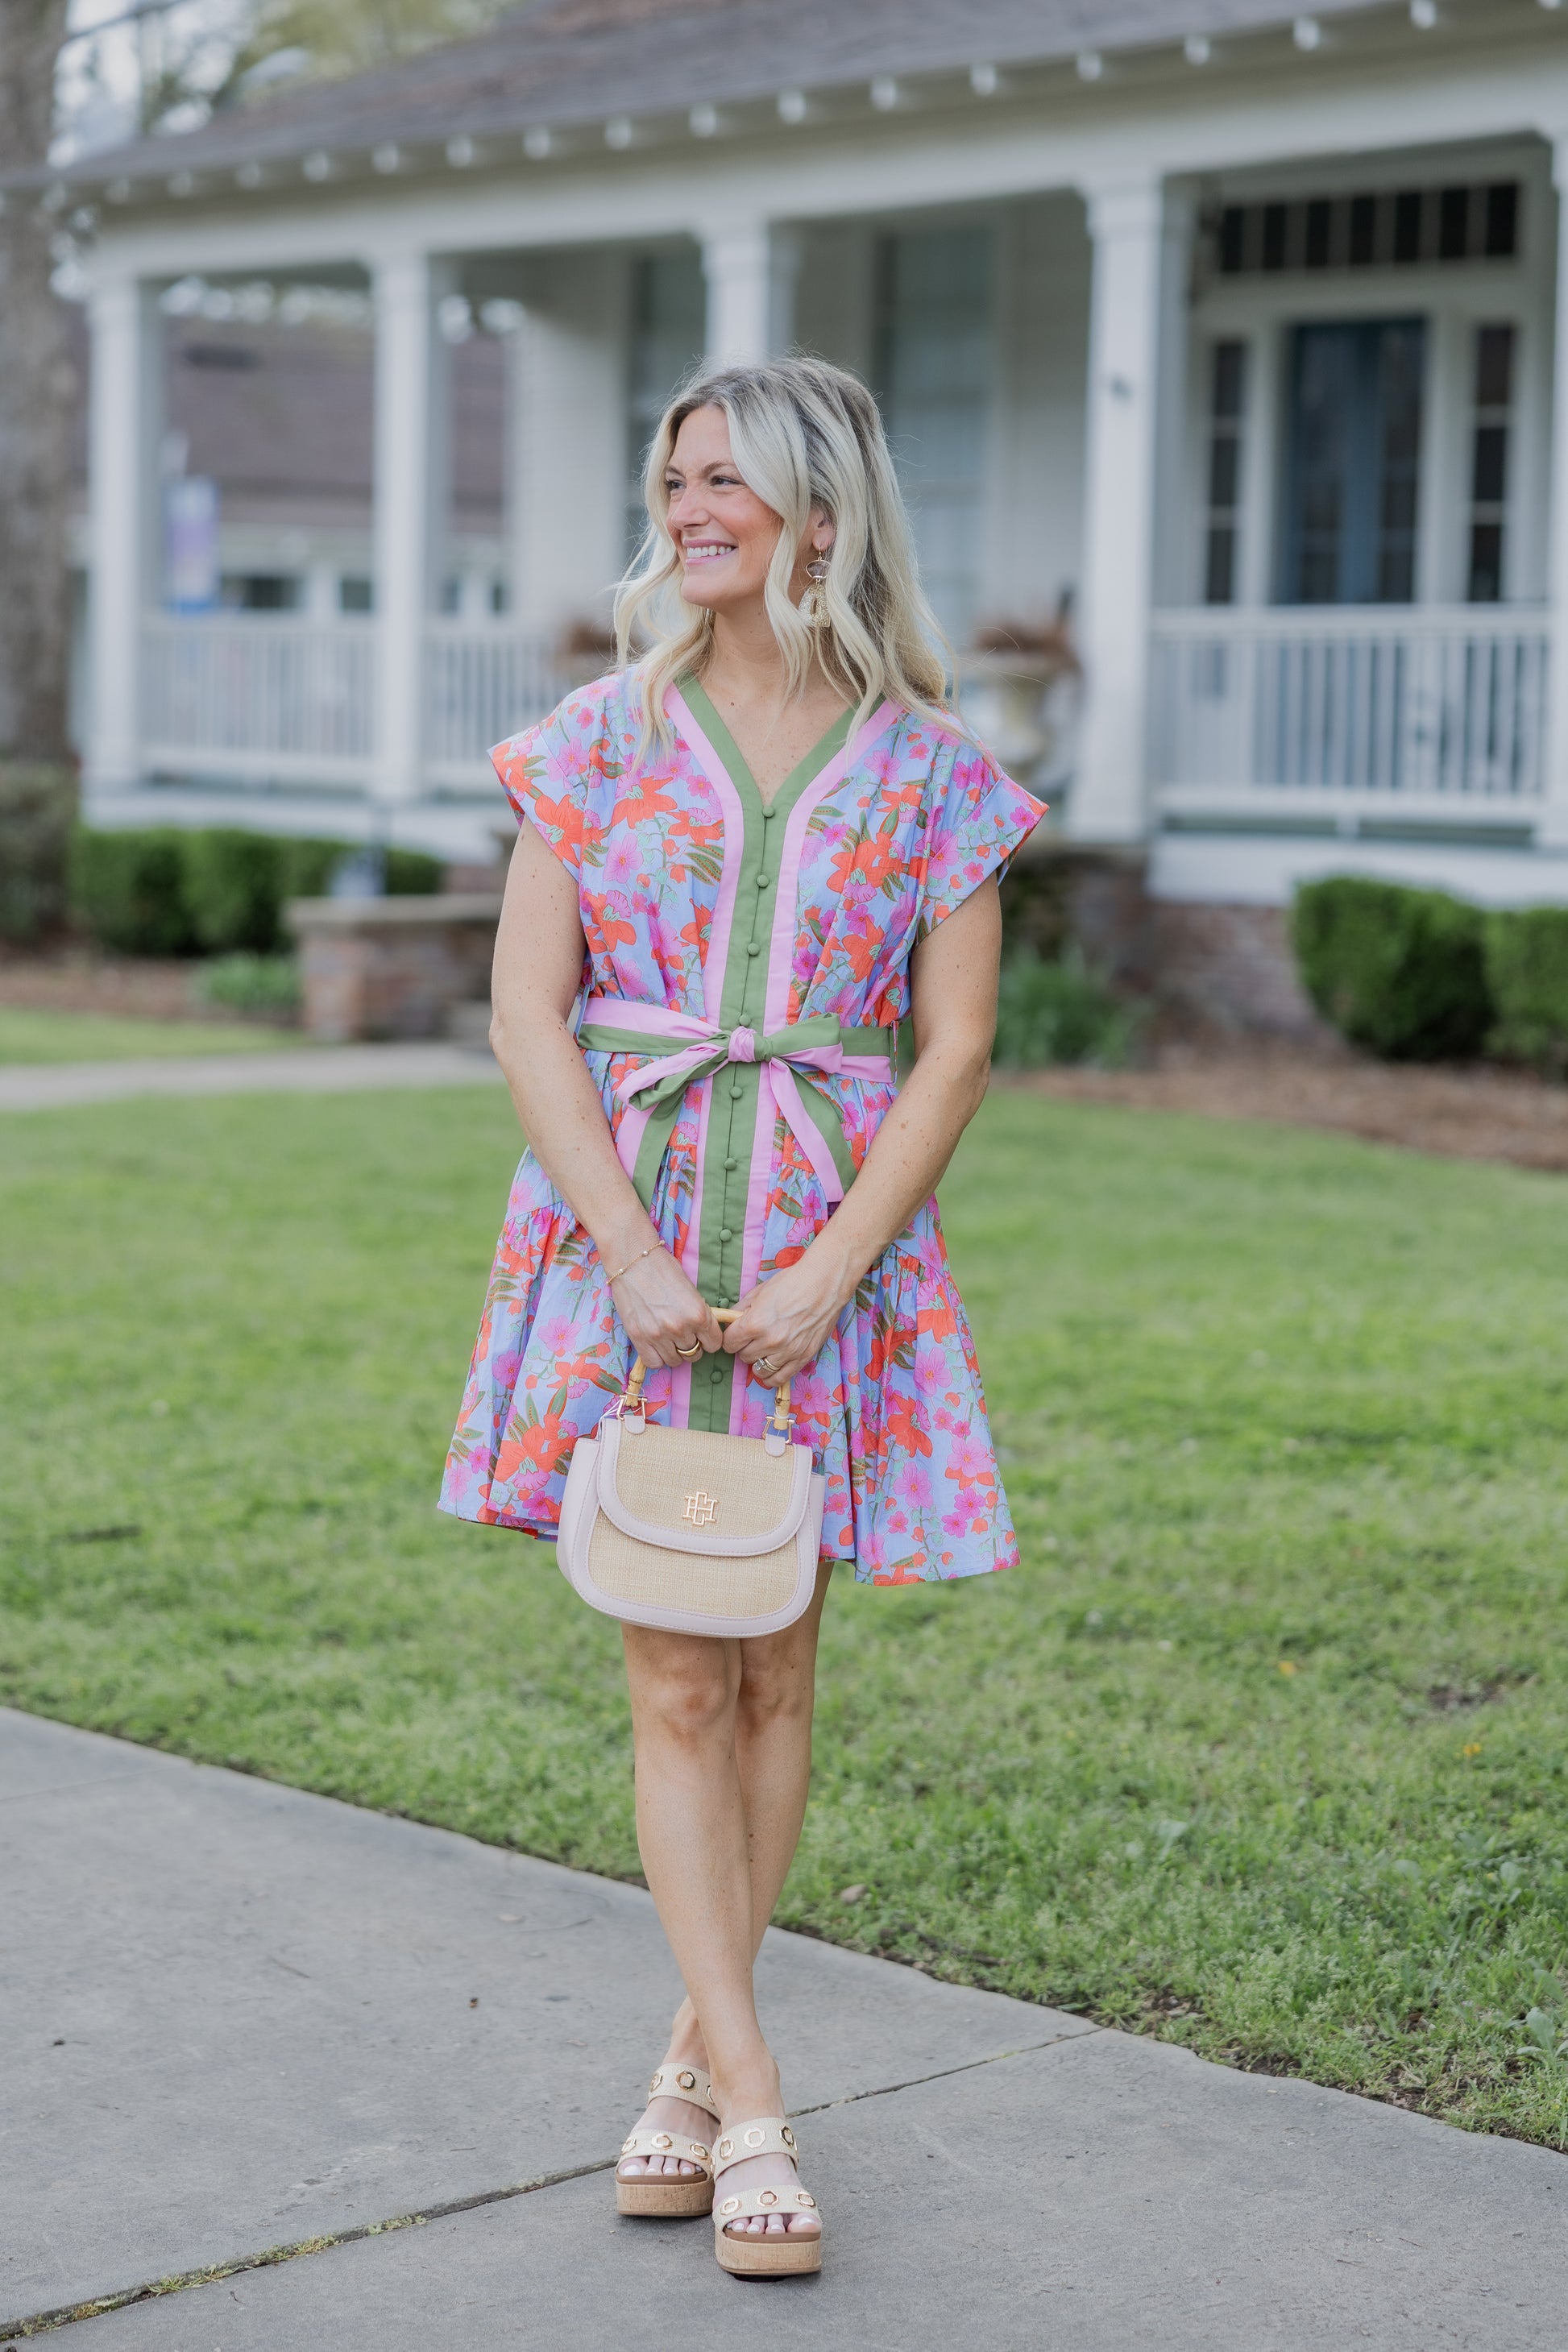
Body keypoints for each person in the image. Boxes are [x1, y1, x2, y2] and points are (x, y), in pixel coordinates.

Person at [440, 355, 1043, 2278]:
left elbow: (954, 1050)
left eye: (726, 480)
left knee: (775, 1673)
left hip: (822, 1264)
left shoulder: (932, 769)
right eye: (674, 478)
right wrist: (627, 1251)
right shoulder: (595, 740)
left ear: (821, 515)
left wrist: (824, 1272)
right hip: (623, 1253)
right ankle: (760, 2098)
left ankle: (688, 2069)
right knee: (673, 1675)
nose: (689, 509)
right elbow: (526, 1010)